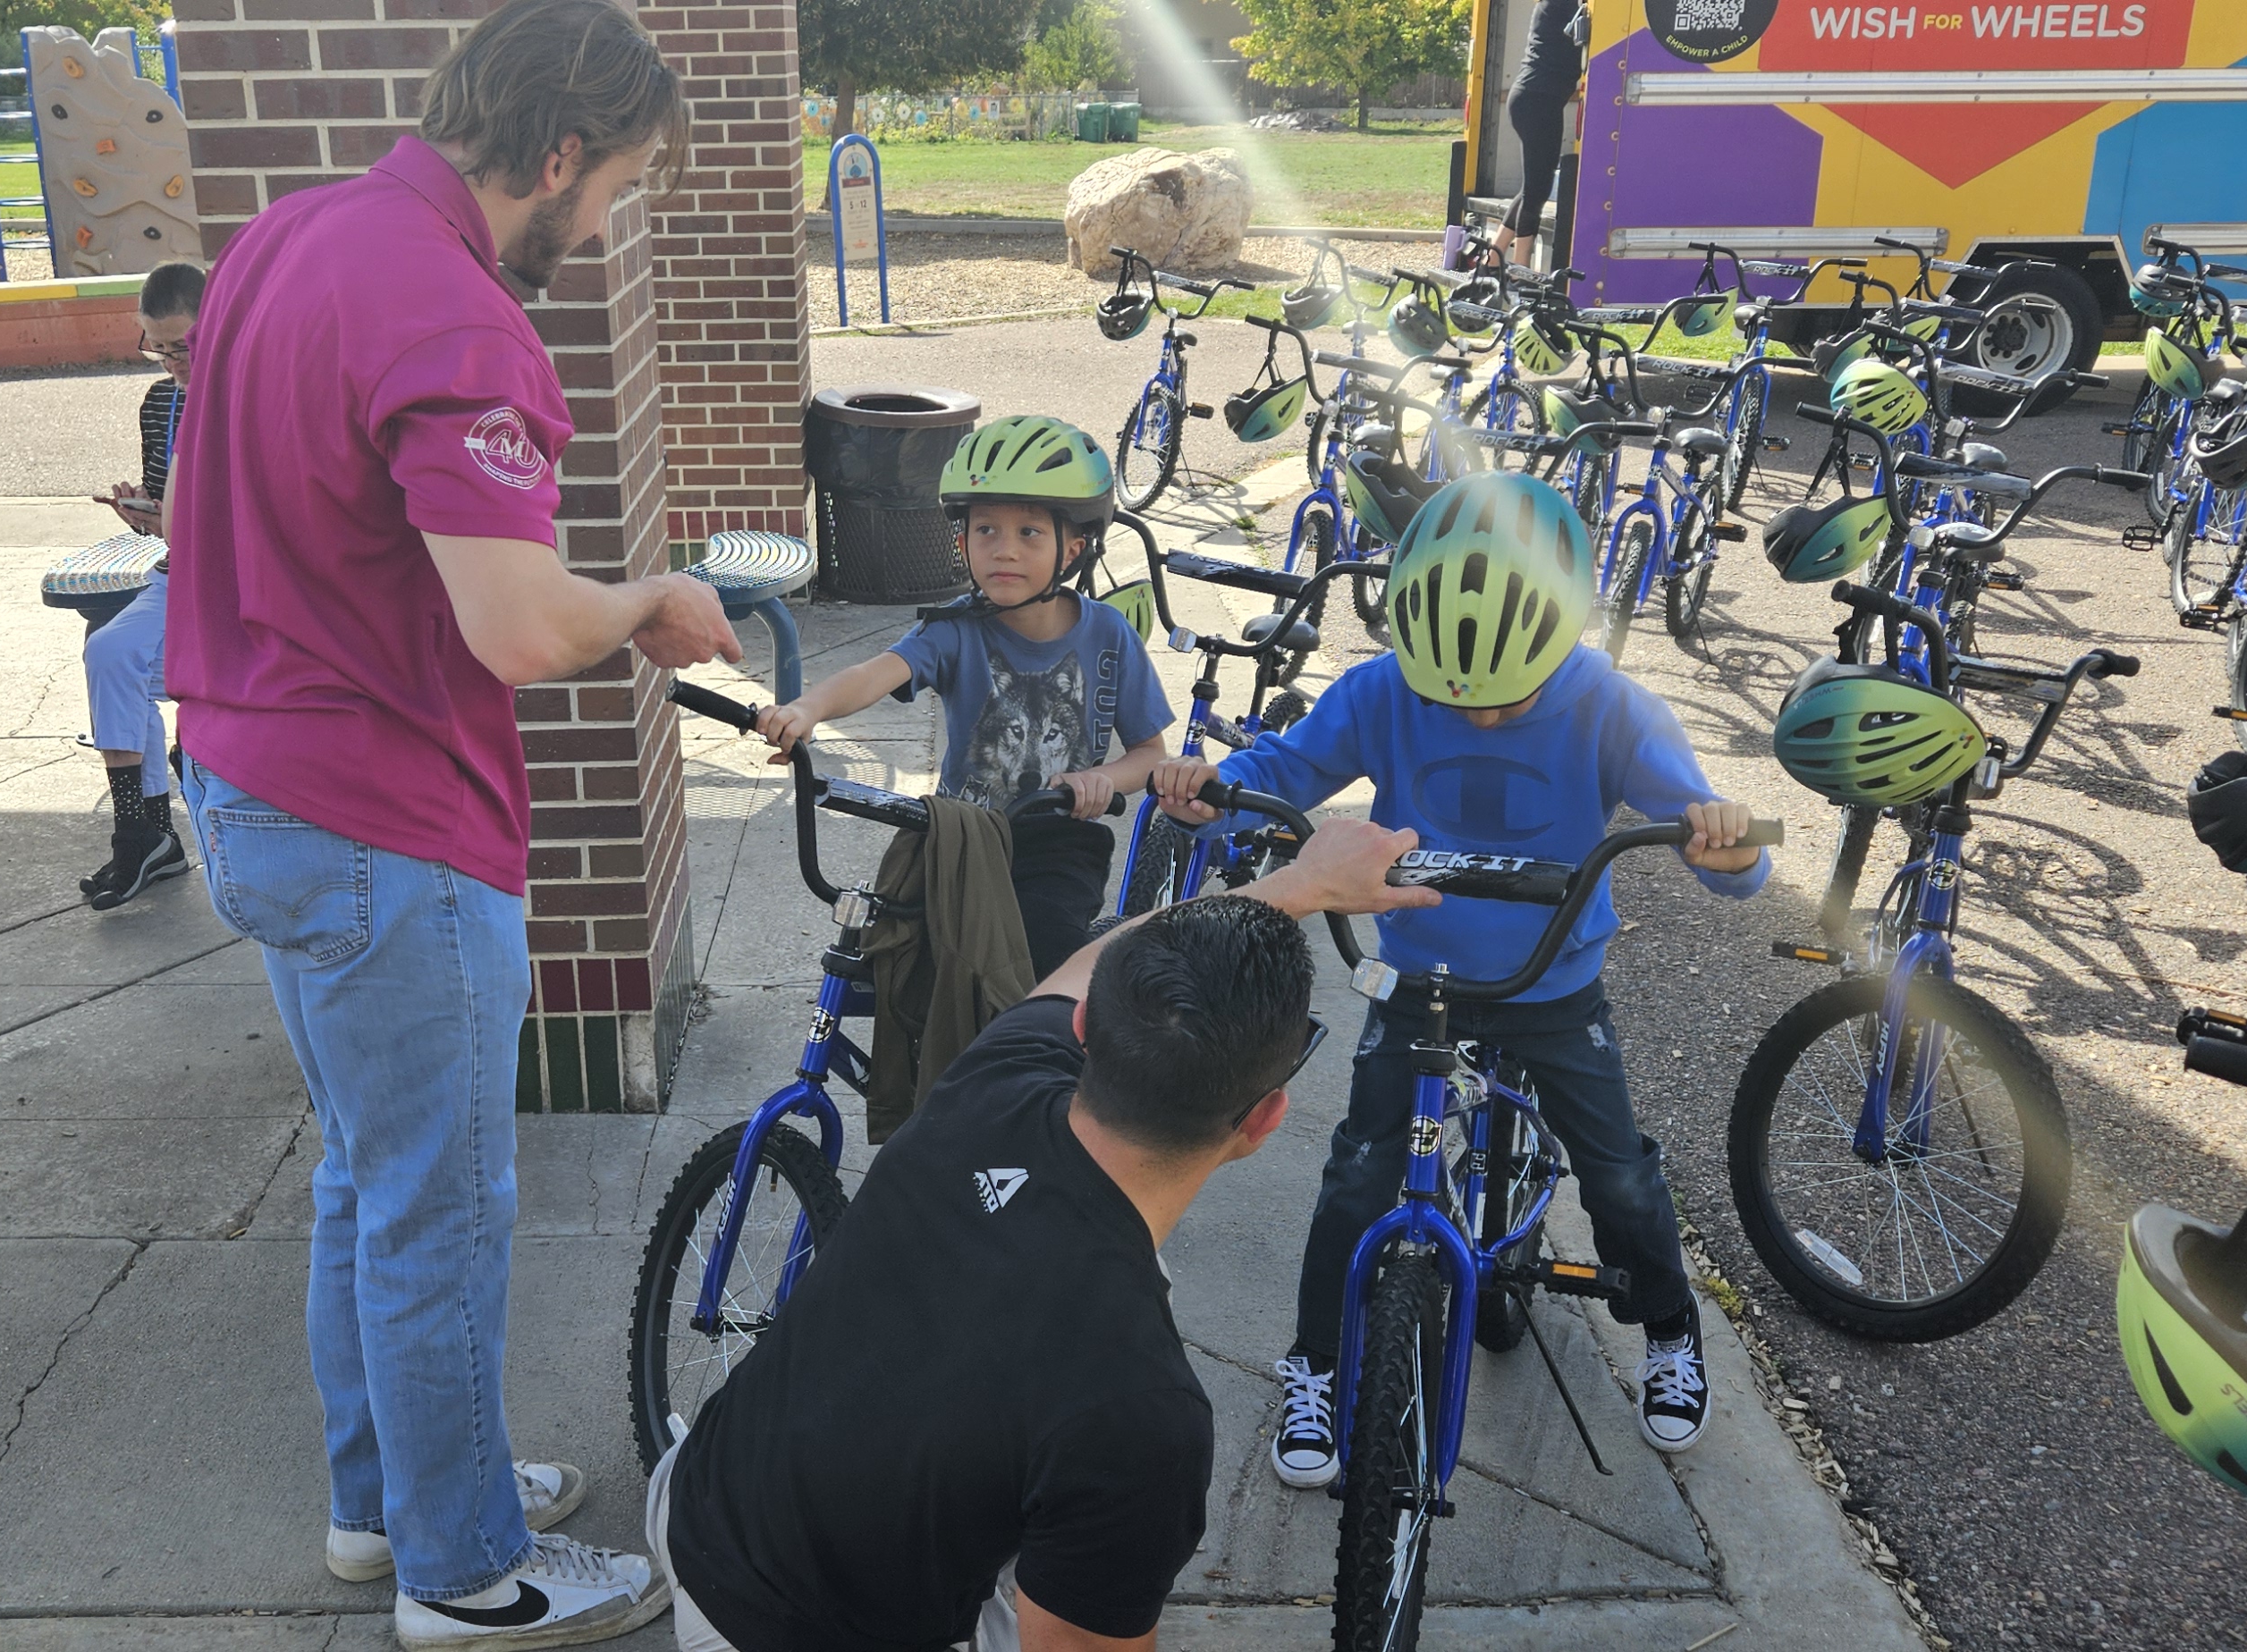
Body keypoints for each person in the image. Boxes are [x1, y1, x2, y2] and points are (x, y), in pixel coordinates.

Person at [160, 3, 737, 1644]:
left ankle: (389, 1499)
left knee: (368, 1176)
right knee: (444, 1205)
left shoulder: (288, 237)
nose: (607, 222)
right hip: (383, 821)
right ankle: (467, 1571)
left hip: (252, 784)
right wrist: (650, 599)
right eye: (616, 187)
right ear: (557, 155)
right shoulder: (464, 319)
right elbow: (518, 625)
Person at [650, 817, 1440, 1652]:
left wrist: (1301, 885)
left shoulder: (997, 1073)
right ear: (1266, 1120)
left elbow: (1096, 963)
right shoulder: (1141, 1412)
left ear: (1083, 1029)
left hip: (696, 1498)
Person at [1148, 471, 1767, 1479]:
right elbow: (1281, 775)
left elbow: (1718, 847)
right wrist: (1208, 793)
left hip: (1552, 987)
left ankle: (1666, 1327)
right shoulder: (1380, 688)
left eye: (1508, 695)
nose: (1477, 716)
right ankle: (1316, 1362)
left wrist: (1726, 845)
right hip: (1419, 979)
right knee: (1357, 1174)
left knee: (1615, 1169)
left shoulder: (1613, 708)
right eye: (1448, 694)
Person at [751, 416, 1172, 977]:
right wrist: (808, 709)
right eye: (986, 530)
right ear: (960, 540)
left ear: (1073, 549)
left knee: (1043, 970)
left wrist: (1102, 779)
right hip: (960, 838)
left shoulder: (1108, 636)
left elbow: (1151, 754)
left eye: (1029, 533)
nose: (1005, 551)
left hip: (1056, 846)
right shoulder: (955, 628)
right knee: (906, 965)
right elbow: (877, 672)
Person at [76, 259, 204, 911]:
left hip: (236, 582)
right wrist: (145, 511)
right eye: (158, 347)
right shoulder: (162, 402)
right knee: (110, 653)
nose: (172, 361)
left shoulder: (252, 396)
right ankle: (142, 829)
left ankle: (151, 834)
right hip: (179, 570)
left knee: (131, 665)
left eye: (184, 346)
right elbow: (170, 510)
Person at [1490, 0, 1591, 269]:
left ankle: (1493, 259)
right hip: (1539, 100)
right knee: (1537, 192)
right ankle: (1521, 269)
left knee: (1532, 189)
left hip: (1534, 98)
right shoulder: (1562, 3)